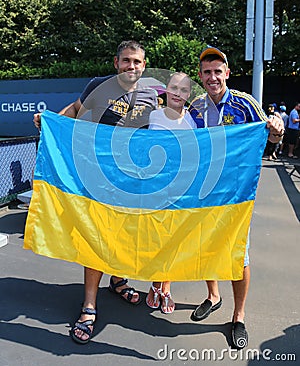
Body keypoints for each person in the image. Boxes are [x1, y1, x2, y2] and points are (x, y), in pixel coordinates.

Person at [34, 40, 158, 344]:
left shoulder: (153, 94)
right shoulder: (98, 86)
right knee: (98, 237)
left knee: (126, 234)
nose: (131, 66)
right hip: (99, 178)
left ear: (144, 65)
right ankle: (89, 305)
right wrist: (51, 121)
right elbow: (76, 110)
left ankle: (117, 280)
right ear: (116, 63)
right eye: (126, 60)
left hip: (134, 180)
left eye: (137, 62)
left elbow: (169, 128)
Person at [188, 46, 284, 350]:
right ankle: (213, 296)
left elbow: (268, 136)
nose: (213, 77)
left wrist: (277, 130)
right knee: (206, 248)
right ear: (200, 76)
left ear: (227, 73)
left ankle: (238, 315)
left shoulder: (245, 103)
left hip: (236, 195)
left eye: (218, 71)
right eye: (207, 72)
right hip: (204, 193)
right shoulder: (195, 107)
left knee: (238, 255)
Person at [146, 72, 197, 314]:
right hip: (154, 189)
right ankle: (156, 282)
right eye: (174, 87)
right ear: (166, 89)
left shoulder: (193, 122)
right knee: (157, 239)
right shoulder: (152, 115)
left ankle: (165, 287)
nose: (178, 93)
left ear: (189, 94)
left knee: (174, 241)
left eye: (184, 89)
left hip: (182, 190)